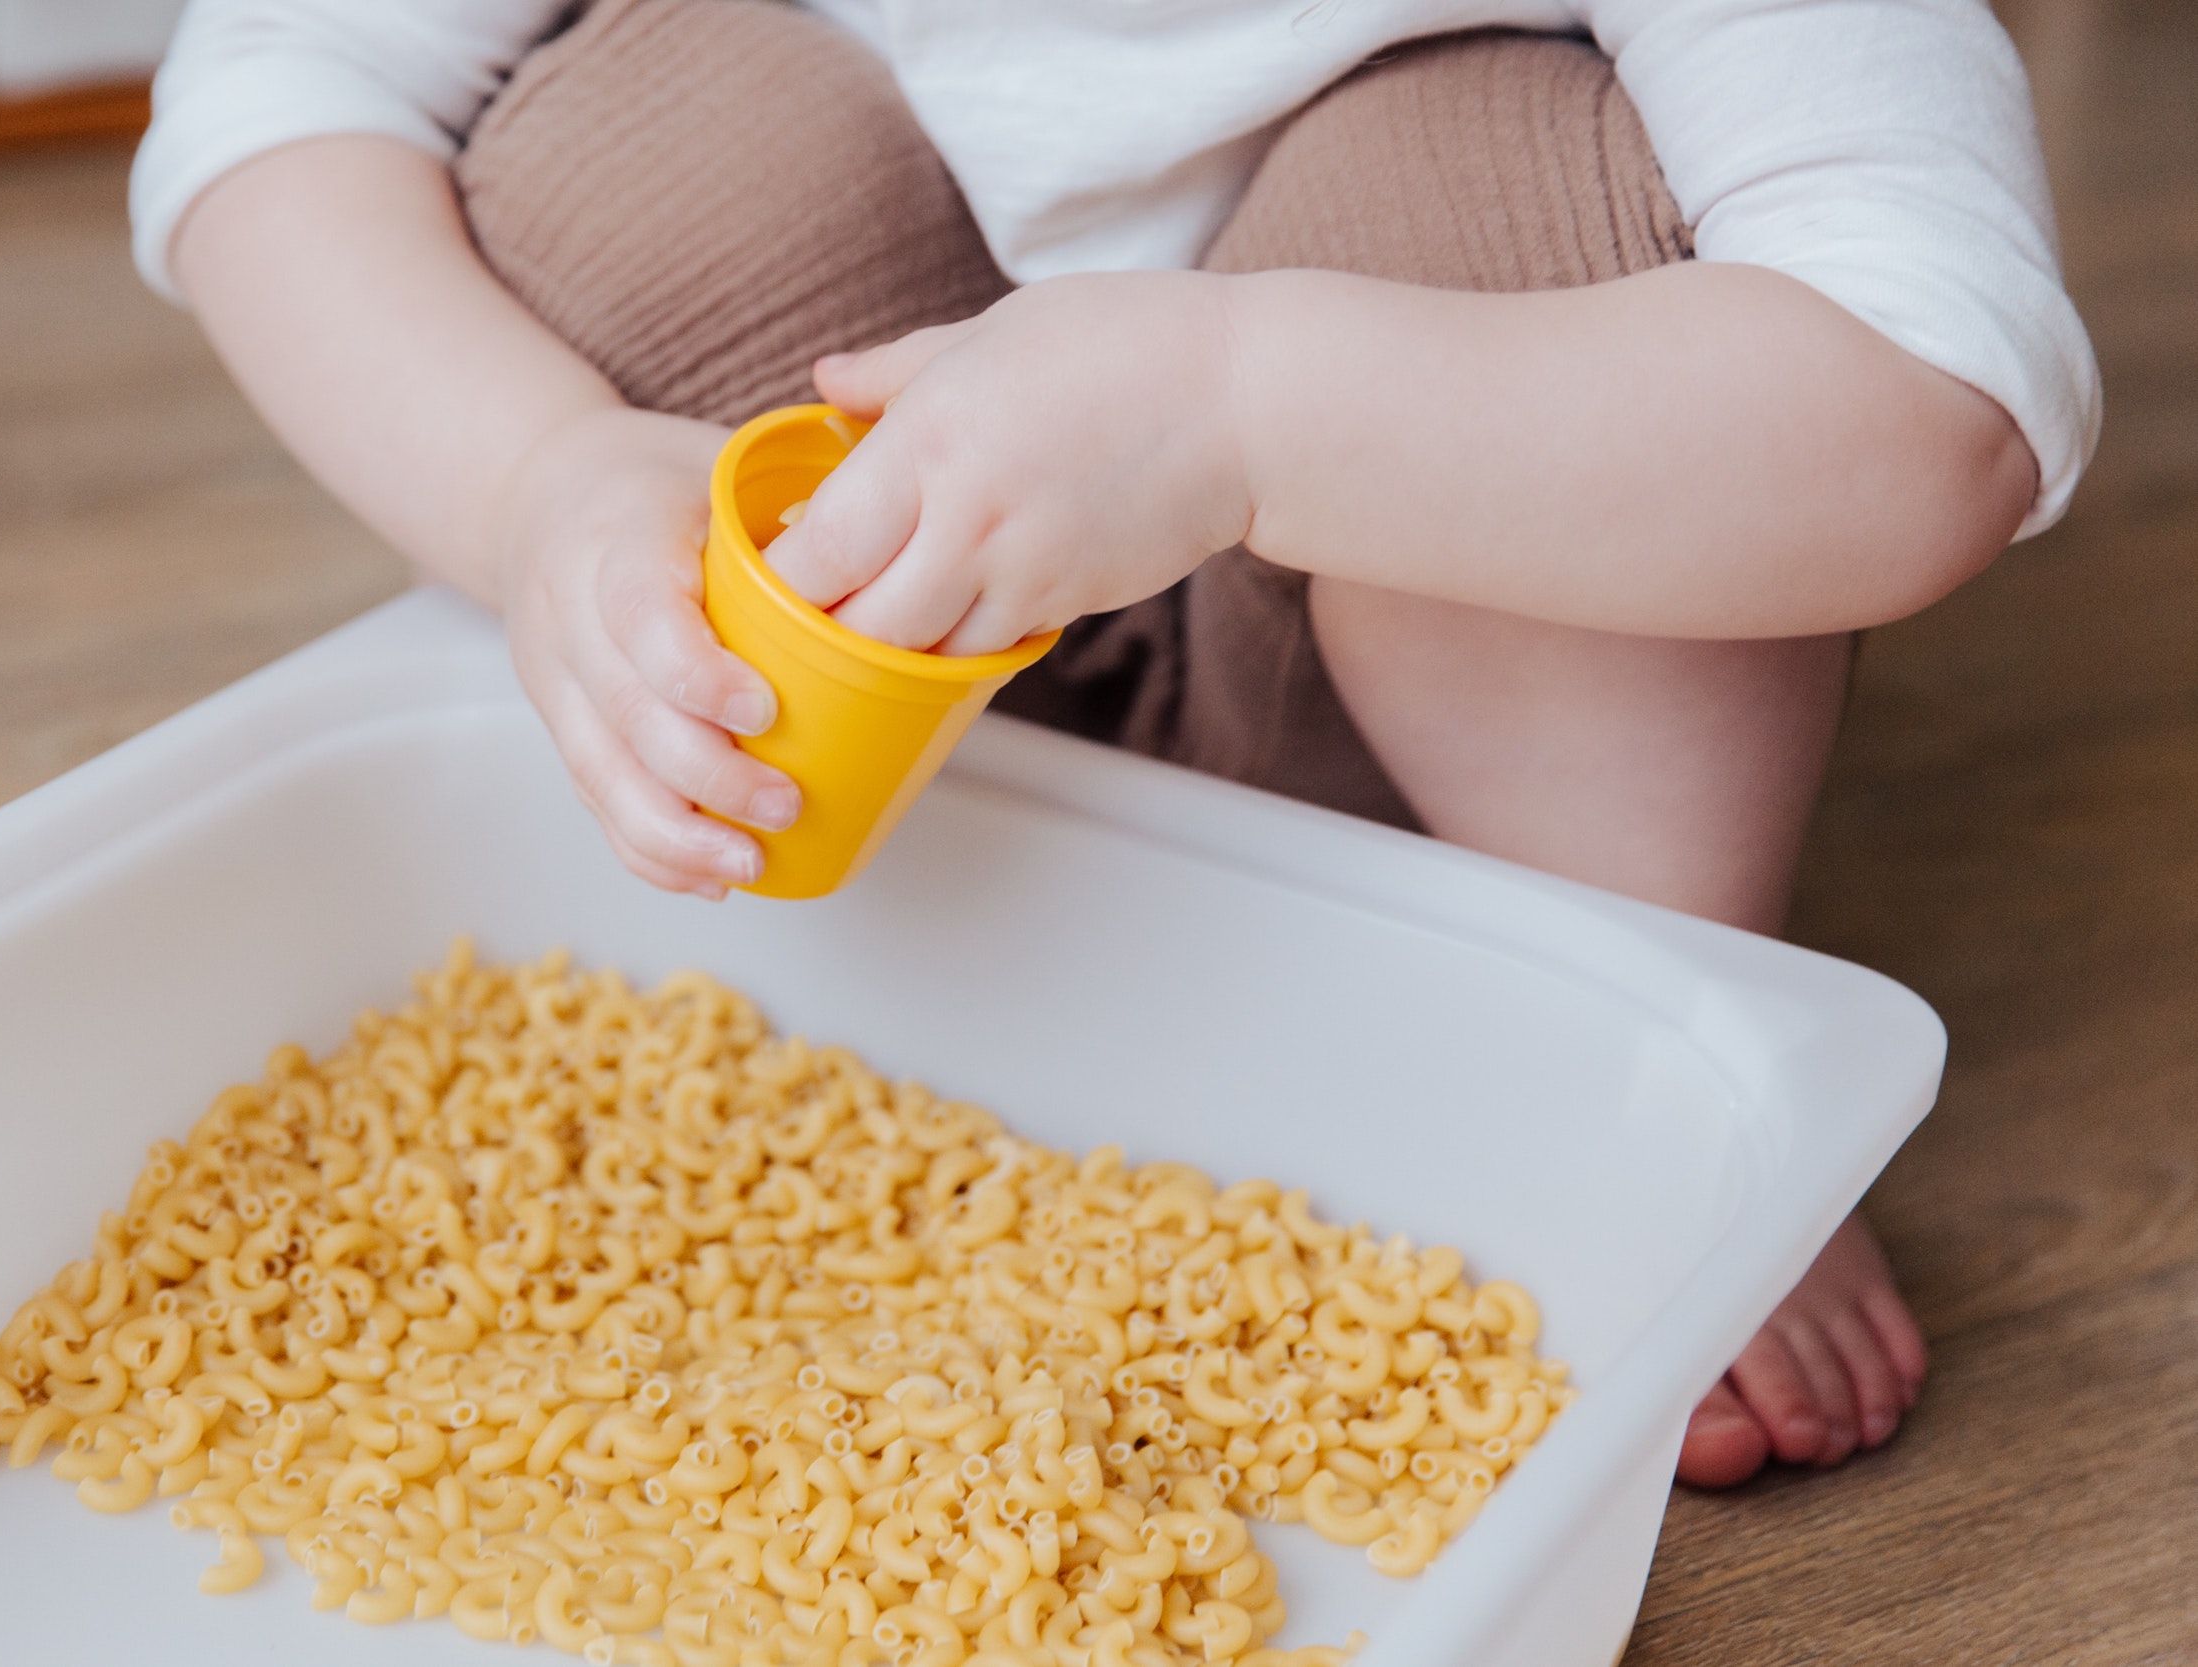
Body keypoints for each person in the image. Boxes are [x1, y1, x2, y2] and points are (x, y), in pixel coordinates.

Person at [129, 0, 2099, 1487]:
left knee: (1507, 190)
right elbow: (272, 107)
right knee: (647, 148)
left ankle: (1646, 1029)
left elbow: (1930, 389)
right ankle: (875, 913)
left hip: (1417, 685)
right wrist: (536, 483)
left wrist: (1245, 413)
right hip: (880, 688)